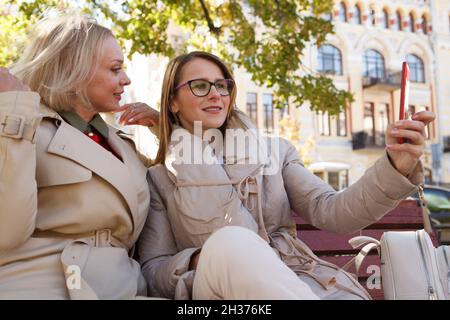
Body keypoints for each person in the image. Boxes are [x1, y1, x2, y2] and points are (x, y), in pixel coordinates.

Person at [137, 51, 435, 300]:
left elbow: (334, 212)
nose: (216, 94)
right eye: (200, 86)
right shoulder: (160, 179)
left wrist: (396, 165)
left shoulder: (275, 153)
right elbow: (153, 271)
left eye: (222, 85)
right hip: (218, 294)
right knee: (230, 242)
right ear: (173, 102)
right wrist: (197, 261)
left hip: (302, 282)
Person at [0, 13, 159, 299]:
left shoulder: (123, 145)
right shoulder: (21, 122)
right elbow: (6, 231)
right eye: (115, 69)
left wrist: (166, 129)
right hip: (44, 286)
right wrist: (11, 113)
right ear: (75, 72)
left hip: (124, 286)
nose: (126, 79)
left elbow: (180, 201)